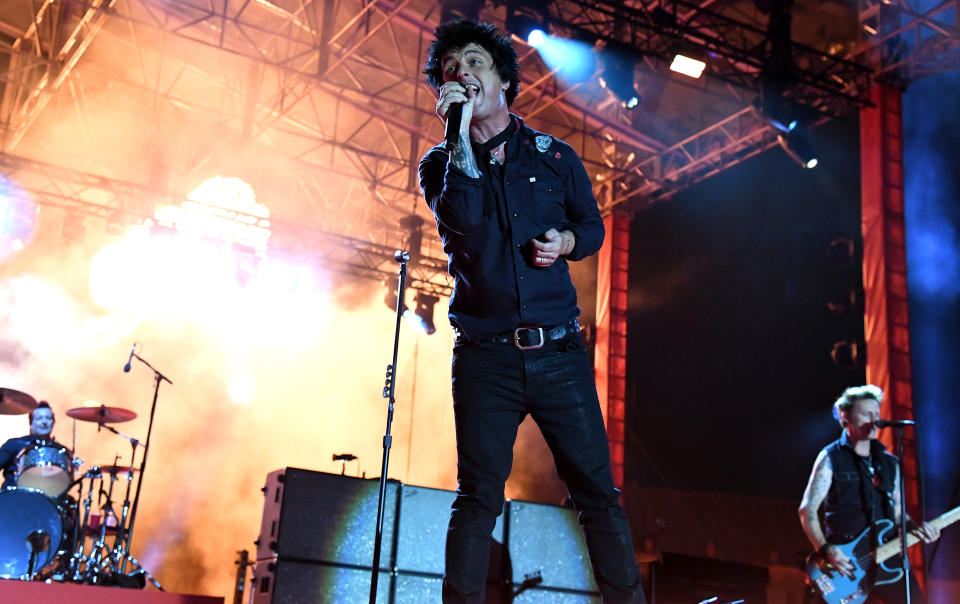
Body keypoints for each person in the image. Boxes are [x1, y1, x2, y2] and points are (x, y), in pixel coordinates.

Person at [419, 19, 645, 604]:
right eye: (450, 69)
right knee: (477, 499)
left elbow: (590, 227)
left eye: (474, 62)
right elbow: (463, 220)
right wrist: (458, 132)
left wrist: (566, 244)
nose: (461, 73)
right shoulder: (438, 165)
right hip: (485, 358)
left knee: (597, 494)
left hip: (559, 355)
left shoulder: (555, 156)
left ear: (503, 79)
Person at [798, 385, 940, 603]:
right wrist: (825, 549)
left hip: (889, 556)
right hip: (844, 562)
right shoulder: (830, 458)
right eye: (866, 414)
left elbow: (899, 513)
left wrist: (919, 530)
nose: (874, 420)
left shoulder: (890, 462)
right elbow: (807, 510)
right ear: (845, 417)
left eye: (877, 414)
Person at [0, 401, 59, 488]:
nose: (44, 421)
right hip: (13, 496)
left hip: (46, 498)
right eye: (39, 418)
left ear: (53, 422)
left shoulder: (59, 450)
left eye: (48, 418)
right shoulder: (15, 444)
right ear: (31, 423)